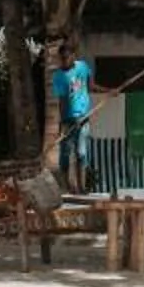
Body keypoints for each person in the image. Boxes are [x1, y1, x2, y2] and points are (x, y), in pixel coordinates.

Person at [48, 38, 96, 188]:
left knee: (81, 153)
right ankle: (67, 188)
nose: (65, 61)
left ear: (73, 56)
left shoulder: (82, 67)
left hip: (84, 118)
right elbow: (63, 102)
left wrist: (109, 91)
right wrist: (64, 122)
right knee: (65, 155)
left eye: (67, 57)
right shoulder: (59, 76)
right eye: (62, 59)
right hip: (69, 120)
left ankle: (81, 188)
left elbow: (91, 86)